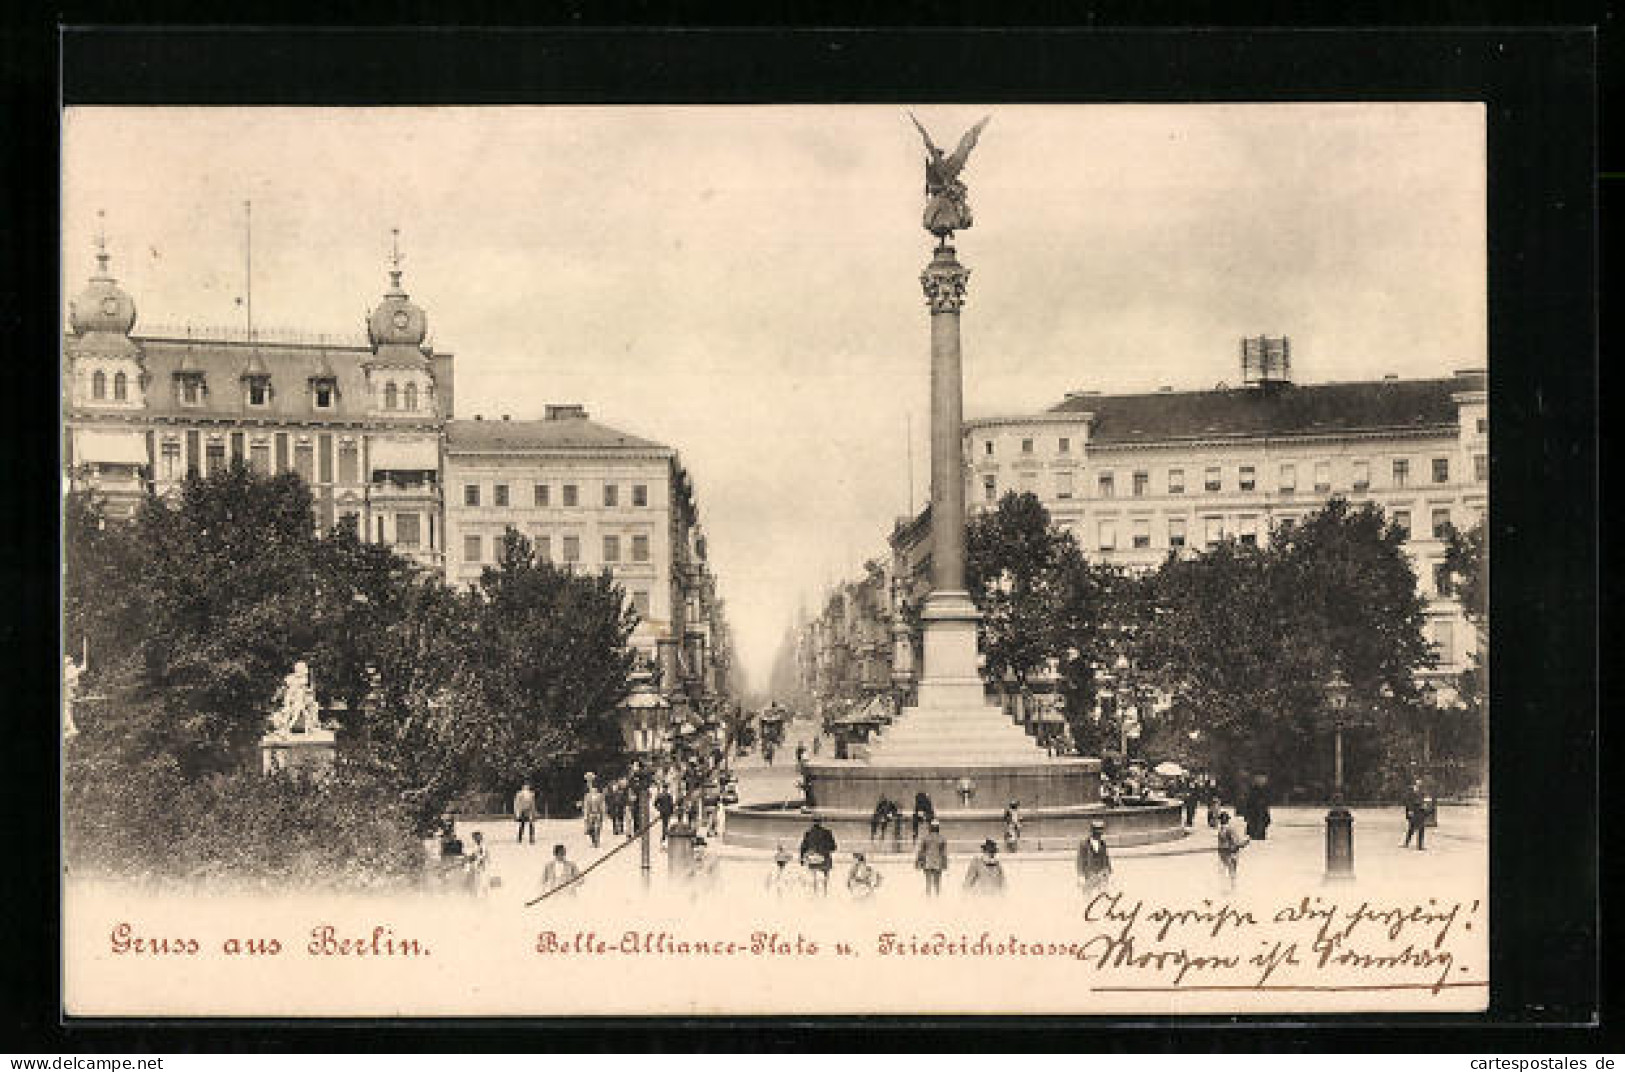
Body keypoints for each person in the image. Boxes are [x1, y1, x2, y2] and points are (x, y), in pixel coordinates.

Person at [799, 816, 837, 896]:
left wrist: (802, 859)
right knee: (825, 875)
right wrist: (825, 850)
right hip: (825, 859)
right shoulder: (827, 832)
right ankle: (825, 892)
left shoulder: (808, 833)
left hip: (813, 859)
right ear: (821, 822)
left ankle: (815, 892)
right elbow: (833, 847)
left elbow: (803, 847)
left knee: (814, 876)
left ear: (813, 822)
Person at [915, 818, 949, 896]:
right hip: (938, 862)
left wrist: (918, 862)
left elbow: (921, 852)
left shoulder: (926, 838)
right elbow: (944, 853)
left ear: (930, 827)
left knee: (928, 883)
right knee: (937, 883)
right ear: (938, 828)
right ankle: (937, 899)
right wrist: (945, 864)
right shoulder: (942, 838)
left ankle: (928, 900)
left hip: (928, 862)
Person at [1076, 820, 1111, 893]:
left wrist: (1108, 872)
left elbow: (1106, 859)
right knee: (1088, 896)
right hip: (1089, 875)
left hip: (1101, 875)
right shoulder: (1084, 844)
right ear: (1092, 831)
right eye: (1097, 831)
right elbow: (1080, 860)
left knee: (1102, 895)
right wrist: (1080, 876)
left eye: (1101, 831)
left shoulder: (1102, 843)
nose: (1099, 834)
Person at [1216, 811, 1248, 892]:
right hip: (1228, 853)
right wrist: (1244, 843)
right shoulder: (1227, 829)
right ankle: (1230, 887)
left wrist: (1242, 843)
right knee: (1230, 871)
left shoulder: (1224, 829)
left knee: (1226, 870)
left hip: (1226, 853)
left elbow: (1233, 842)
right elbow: (1236, 842)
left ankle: (1229, 887)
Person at [582, 781, 607, 849]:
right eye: (592, 789)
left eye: (594, 789)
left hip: (598, 814)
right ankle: (593, 840)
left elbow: (603, 805)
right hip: (590, 814)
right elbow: (586, 806)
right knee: (590, 829)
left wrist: (603, 813)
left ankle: (597, 840)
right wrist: (585, 815)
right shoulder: (587, 796)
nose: (593, 790)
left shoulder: (600, 796)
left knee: (597, 828)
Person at [1403, 782, 1427, 850]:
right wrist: (1410, 810)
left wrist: (1425, 806)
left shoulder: (1422, 792)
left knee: (1421, 828)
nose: (1418, 786)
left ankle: (1420, 845)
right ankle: (1407, 842)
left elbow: (1425, 801)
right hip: (1413, 811)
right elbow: (1408, 802)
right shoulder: (1410, 793)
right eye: (1417, 785)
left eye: (1420, 785)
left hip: (1421, 811)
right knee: (1412, 828)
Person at [465, 830, 490, 896]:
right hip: (476, 868)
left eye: (477, 837)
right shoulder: (477, 846)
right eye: (474, 838)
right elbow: (475, 855)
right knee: (474, 884)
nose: (475, 839)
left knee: (479, 884)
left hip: (480, 869)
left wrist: (473, 858)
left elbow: (482, 857)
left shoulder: (482, 846)